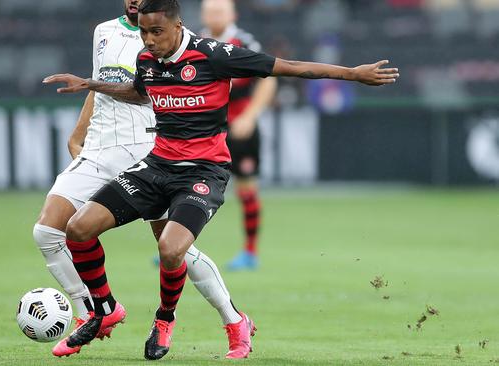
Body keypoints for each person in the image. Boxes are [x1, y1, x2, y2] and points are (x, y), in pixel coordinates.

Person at [43, 0, 398, 360]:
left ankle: (166, 319)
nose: (148, 41)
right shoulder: (147, 60)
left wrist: (353, 74)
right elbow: (139, 91)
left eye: (156, 32)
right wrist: (91, 84)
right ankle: (104, 310)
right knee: (78, 228)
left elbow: (288, 67)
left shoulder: (214, 55)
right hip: (156, 166)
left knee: (170, 248)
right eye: (144, 33)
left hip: (202, 172)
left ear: (178, 26)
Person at [32, 0, 251, 359]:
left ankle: (231, 318)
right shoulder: (103, 31)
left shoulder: (180, 41)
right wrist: (80, 130)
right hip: (100, 148)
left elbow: (157, 92)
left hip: (149, 150)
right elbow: (102, 82)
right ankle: (92, 311)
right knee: (48, 230)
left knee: (173, 248)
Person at [200, 0, 277, 271]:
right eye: (209, 11)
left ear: (233, 14)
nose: (213, 16)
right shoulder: (195, 42)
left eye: (219, 11)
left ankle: (250, 252)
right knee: (184, 185)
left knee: (246, 188)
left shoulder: (244, 42)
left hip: (239, 128)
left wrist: (250, 116)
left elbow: (269, 79)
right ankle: (178, 248)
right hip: (206, 129)